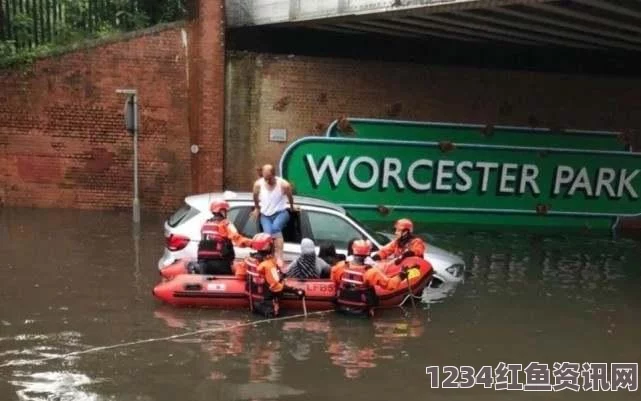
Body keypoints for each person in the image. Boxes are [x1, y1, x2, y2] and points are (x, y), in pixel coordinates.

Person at [330, 239, 408, 317]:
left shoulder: (340, 266)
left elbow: (333, 280)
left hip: (341, 309)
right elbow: (390, 285)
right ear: (368, 254)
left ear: (353, 251)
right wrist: (401, 276)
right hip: (361, 312)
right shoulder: (372, 272)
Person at [241, 233, 304, 318]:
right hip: (268, 307)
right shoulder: (269, 265)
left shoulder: (250, 260)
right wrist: (295, 290)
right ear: (269, 247)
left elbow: (240, 273)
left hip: (254, 302)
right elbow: (276, 287)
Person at [251, 164, 297, 268]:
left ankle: (279, 256)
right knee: (268, 236)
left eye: (269, 178)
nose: (267, 181)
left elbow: (290, 197)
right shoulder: (258, 184)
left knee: (275, 228)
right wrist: (257, 208)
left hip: (281, 213)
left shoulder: (283, 185)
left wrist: (292, 207)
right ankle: (271, 257)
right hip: (265, 215)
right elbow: (254, 196)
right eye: (265, 178)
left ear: (273, 175)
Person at [191, 199, 252, 275]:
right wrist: (252, 244)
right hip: (220, 263)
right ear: (222, 211)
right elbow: (237, 239)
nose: (227, 213)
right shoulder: (226, 224)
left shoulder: (205, 224)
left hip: (203, 264)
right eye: (226, 211)